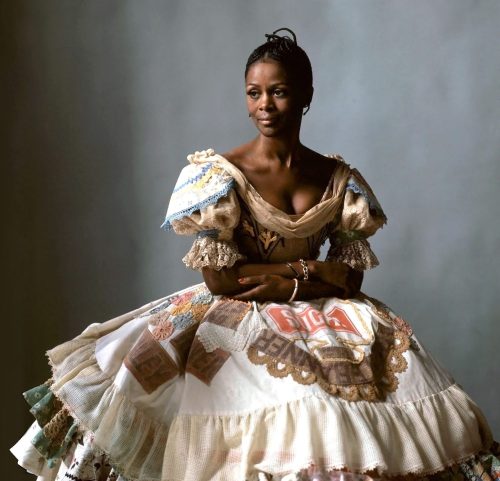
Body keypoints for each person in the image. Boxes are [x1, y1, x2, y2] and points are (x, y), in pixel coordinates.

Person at [11, 28, 498, 481]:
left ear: (306, 96)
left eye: (279, 91)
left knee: (366, 411)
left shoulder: (338, 179)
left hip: (326, 318)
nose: (264, 105)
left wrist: (292, 280)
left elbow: (349, 279)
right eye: (254, 92)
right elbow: (222, 282)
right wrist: (311, 270)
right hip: (236, 317)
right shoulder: (218, 177)